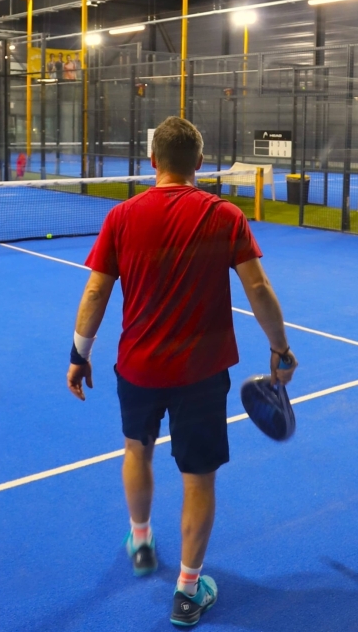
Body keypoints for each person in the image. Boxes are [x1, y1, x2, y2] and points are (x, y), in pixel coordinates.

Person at [67, 116, 297, 627]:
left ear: (152, 161)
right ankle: (188, 592)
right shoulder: (224, 215)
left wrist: (79, 354)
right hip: (200, 374)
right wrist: (280, 349)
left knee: (137, 450)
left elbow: (95, 291)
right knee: (199, 480)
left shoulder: (121, 216)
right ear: (199, 162)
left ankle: (142, 541)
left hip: (138, 369)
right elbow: (258, 289)